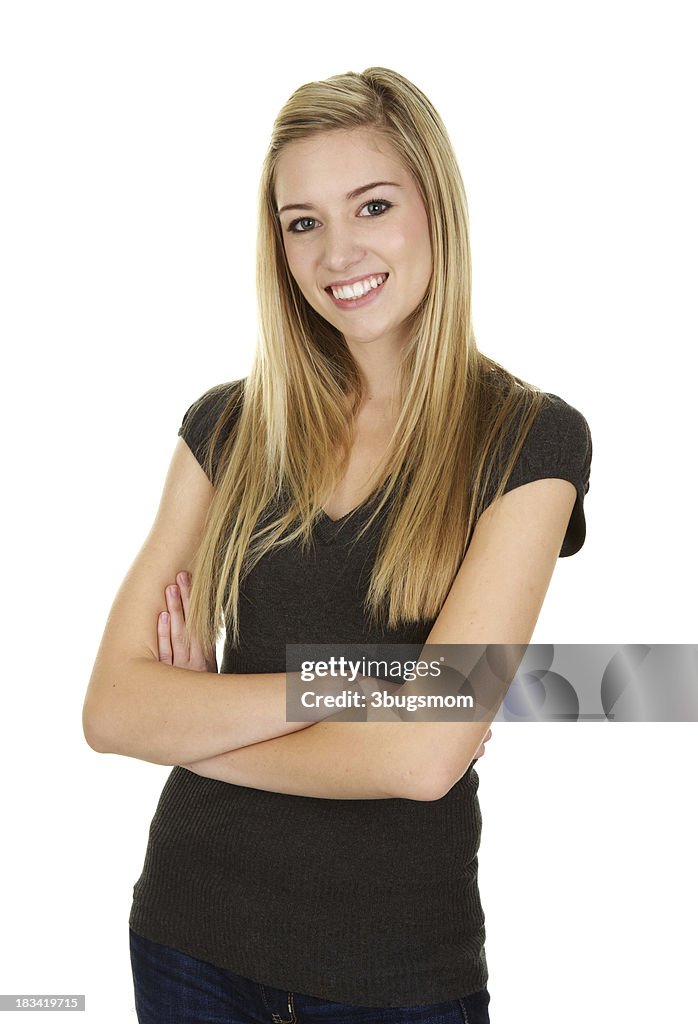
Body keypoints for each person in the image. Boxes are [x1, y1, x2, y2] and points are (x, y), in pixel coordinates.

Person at [83, 67, 592, 1024]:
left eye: (372, 204)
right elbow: (113, 710)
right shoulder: (226, 426)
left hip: (393, 978)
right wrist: (371, 688)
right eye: (302, 221)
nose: (336, 250)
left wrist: (197, 730)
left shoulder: (531, 439)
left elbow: (427, 755)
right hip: (190, 936)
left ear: (435, 207)